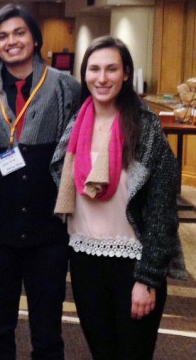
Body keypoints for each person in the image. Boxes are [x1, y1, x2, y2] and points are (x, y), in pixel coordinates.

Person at [51, 36, 187, 360]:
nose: (102, 78)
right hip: (84, 259)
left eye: (111, 69)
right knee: (102, 353)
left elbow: (161, 212)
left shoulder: (146, 127)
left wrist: (148, 279)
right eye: (94, 69)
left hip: (133, 264)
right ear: (84, 74)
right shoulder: (75, 124)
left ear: (126, 73)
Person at [0, 4, 82, 359]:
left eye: (19, 33)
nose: (11, 41)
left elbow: (74, 155)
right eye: (2, 36)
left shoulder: (67, 89)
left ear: (35, 39)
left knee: (47, 331)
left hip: (48, 231)